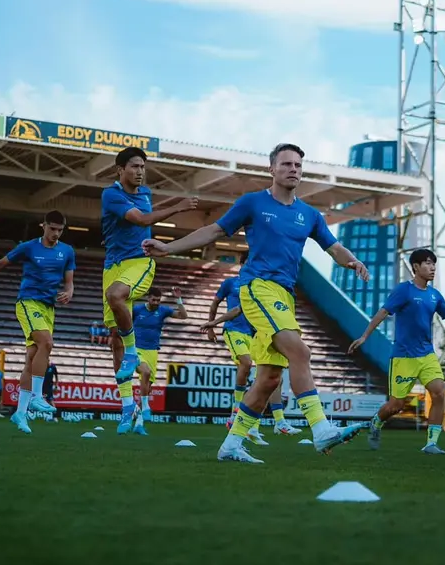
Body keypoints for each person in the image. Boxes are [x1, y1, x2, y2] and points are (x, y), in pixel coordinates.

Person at [143, 142, 369, 463]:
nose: (294, 169)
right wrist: (169, 247)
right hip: (257, 287)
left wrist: (353, 261)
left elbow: (333, 248)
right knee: (300, 351)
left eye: (298, 166)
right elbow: (212, 231)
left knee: (269, 379)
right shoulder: (252, 203)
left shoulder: (310, 215)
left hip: (285, 296)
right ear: (272, 169)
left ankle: (232, 444)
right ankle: (320, 429)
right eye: (287, 164)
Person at [350, 248, 445, 454]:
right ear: (415, 267)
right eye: (428, 264)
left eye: (434, 264)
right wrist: (364, 336)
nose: (432, 268)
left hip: (427, 355)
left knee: (439, 393)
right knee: (396, 406)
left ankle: (431, 443)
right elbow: (383, 312)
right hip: (404, 357)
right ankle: (376, 423)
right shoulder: (404, 290)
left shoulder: (434, 295)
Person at [100, 146, 198, 431]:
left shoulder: (145, 194)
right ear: (120, 169)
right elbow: (141, 219)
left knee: (115, 296)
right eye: (134, 166)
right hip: (112, 266)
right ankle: (127, 409)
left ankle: (132, 354)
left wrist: (171, 205)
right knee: (114, 339)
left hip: (140, 260)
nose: (140, 171)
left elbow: (145, 218)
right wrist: (177, 206)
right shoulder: (111, 194)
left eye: (143, 166)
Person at [0, 211, 75, 435]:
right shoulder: (29, 247)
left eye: (60, 230)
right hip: (28, 303)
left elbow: (69, 282)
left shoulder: (67, 251)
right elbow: (0, 263)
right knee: (47, 344)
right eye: (52, 229)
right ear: (43, 225)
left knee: (33, 358)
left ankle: (20, 413)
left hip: (48, 308)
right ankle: (36, 396)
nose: (55, 234)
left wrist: (69, 292)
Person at [203, 273, 294, 439]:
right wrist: (212, 326)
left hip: (256, 334)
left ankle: (269, 423)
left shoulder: (264, 286)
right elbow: (231, 307)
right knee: (246, 363)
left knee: (273, 379)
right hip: (234, 330)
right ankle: (236, 410)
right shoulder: (233, 283)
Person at [121, 286, 188, 435]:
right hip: (136, 349)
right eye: (153, 299)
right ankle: (145, 407)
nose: (156, 302)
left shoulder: (162, 311)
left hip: (153, 351)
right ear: (148, 297)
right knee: (145, 372)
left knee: (148, 387)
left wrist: (178, 299)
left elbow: (184, 316)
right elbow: (124, 322)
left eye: (158, 300)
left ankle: (139, 423)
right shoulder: (138, 310)